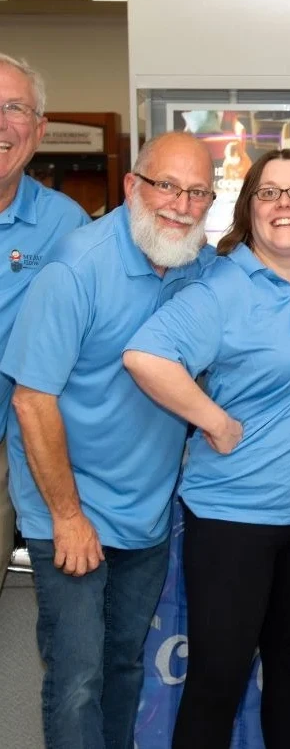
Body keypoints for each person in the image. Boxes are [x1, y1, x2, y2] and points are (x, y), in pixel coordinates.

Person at [123, 148, 290, 749]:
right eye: (269, 193)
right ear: (249, 209)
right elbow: (145, 356)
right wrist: (213, 420)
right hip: (234, 520)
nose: (284, 204)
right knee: (219, 680)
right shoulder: (223, 286)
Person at [0, 130, 216, 749]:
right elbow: (31, 399)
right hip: (69, 506)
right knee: (77, 677)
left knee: (122, 665)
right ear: (131, 186)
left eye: (197, 192)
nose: (181, 205)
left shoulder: (198, 265)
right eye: (166, 186)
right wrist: (68, 518)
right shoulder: (76, 267)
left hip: (143, 513)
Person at [0, 53, 89, 589]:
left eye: (14, 108)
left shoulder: (65, 223)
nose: (1, 123)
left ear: (39, 129)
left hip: (13, 440)